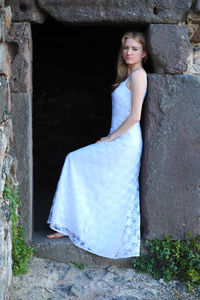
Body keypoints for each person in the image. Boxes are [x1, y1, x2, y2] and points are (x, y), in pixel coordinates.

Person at [46, 31, 148, 259]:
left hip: (125, 142)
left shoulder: (139, 76)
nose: (129, 53)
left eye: (134, 49)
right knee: (102, 182)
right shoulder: (128, 76)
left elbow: (135, 116)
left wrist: (111, 138)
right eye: (126, 48)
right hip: (119, 140)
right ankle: (71, 225)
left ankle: (74, 226)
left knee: (75, 160)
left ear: (144, 53)